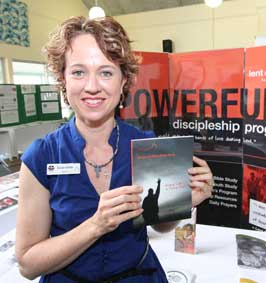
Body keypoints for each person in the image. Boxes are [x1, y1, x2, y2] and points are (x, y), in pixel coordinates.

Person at [15, 16, 213, 283]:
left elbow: (160, 225)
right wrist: (95, 226)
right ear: (63, 79)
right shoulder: (41, 156)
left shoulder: (147, 145)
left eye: (106, 72)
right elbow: (28, 265)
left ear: (123, 82)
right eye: (78, 72)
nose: (92, 86)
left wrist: (183, 202)